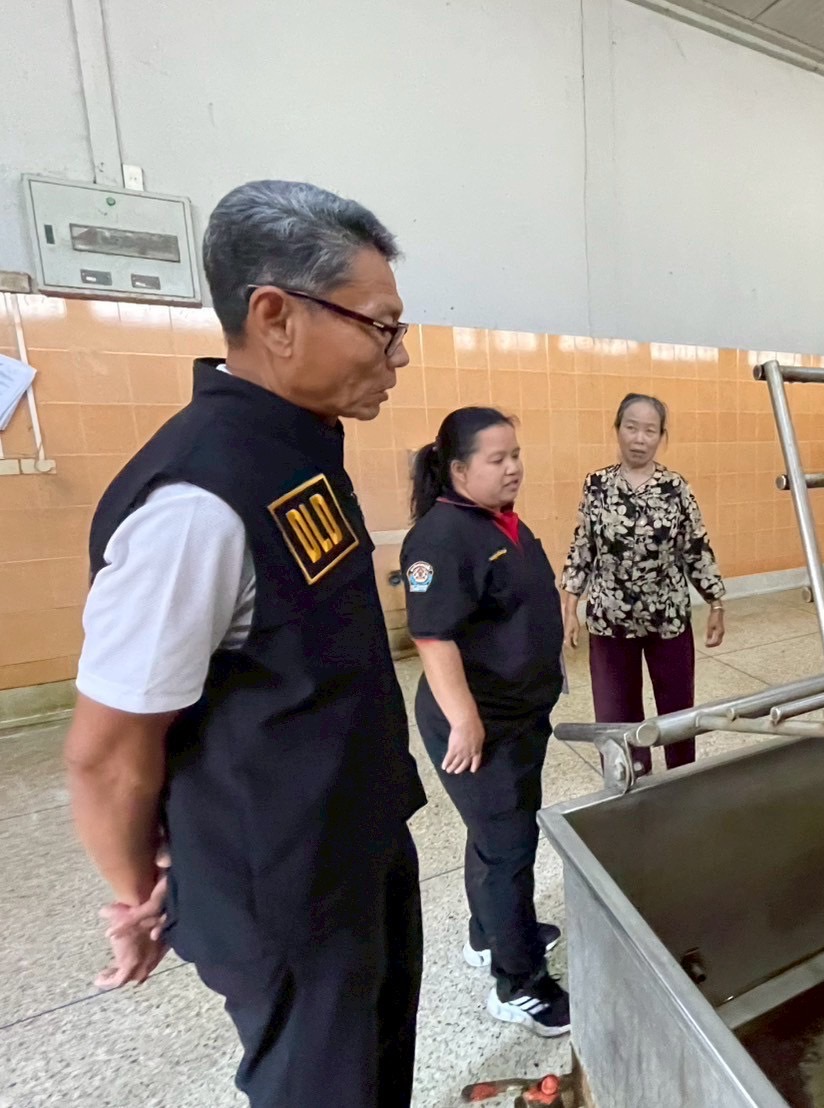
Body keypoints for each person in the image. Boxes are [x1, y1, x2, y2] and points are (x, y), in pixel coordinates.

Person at [64, 180, 426, 1107]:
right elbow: (108, 754)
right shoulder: (195, 503)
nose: (398, 354)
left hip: (353, 852)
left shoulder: (297, 449)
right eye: (381, 327)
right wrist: (140, 891)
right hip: (287, 895)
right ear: (276, 316)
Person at [401, 407, 570, 1037]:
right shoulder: (441, 538)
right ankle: (518, 984)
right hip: (478, 723)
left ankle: (488, 933)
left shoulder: (498, 521)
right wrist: (465, 720)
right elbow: (432, 636)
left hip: (517, 714)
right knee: (508, 849)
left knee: (498, 834)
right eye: (497, 459)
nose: (513, 468)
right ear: (458, 469)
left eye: (515, 454)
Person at [560, 394, 725, 775]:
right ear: (617, 429)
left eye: (650, 430)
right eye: (631, 427)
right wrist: (569, 604)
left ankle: (681, 778)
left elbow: (696, 548)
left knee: (678, 711)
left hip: (667, 616)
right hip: (609, 619)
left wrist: (716, 602)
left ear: (661, 436)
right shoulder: (597, 484)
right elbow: (583, 546)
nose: (639, 438)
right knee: (616, 714)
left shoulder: (675, 487)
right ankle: (627, 782)